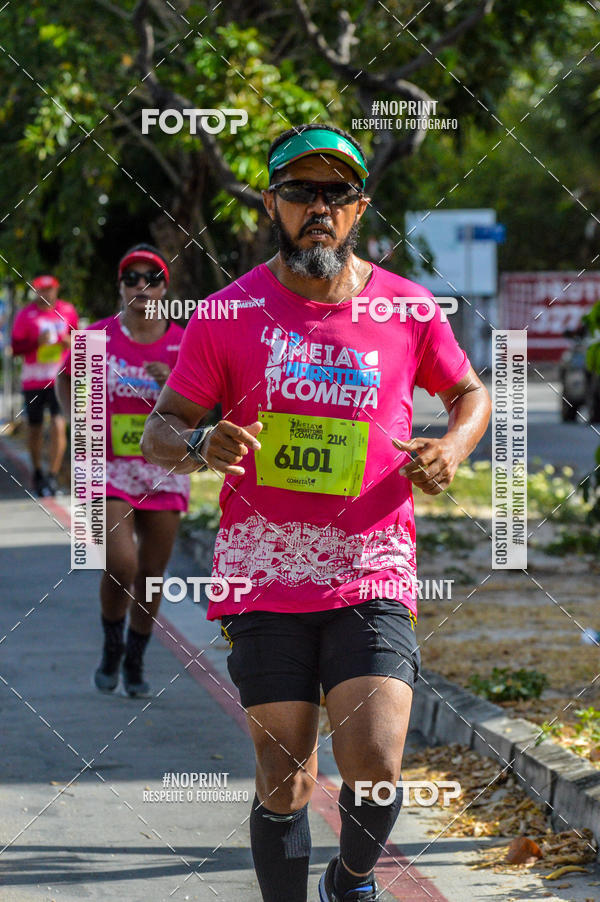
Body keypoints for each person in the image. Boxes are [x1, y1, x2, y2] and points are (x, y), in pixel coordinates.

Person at [141, 124, 491, 901]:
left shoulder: (408, 307)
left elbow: (470, 393)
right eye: (301, 191)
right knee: (285, 771)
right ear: (272, 204)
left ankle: (350, 878)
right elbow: (157, 430)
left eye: (337, 192)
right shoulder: (227, 313)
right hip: (264, 569)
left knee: (377, 764)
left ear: (361, 207)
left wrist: (453, 448)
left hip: (372, 563)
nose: (319, 207)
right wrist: (200, 441)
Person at [56, 244, 190, 698]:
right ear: (120, 286)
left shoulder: (183, 341)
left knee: (151, 574)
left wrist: (170, 383)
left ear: (164, 288)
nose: (140, 286)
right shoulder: (97, 337)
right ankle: (111, 646)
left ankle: (134, 658)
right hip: (108, 468)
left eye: (151, 278)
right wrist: (78, 422)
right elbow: (64, 380)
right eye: (131, 278)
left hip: (165, 467)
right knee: (121, 564)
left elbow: (205, 404)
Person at [11, 274, 78, 496]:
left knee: (59, 423)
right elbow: (15, 348)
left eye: (50, 290)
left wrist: (71, 341)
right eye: (41, 290)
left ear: (56, 290)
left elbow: (80, 340)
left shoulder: (67, 310)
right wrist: (35, 343)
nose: (46, 294)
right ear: (36, 291)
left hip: (60, 379)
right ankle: (38, 471)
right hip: (33, 380)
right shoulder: (26, 315)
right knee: (35, 428)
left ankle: (53, 475)